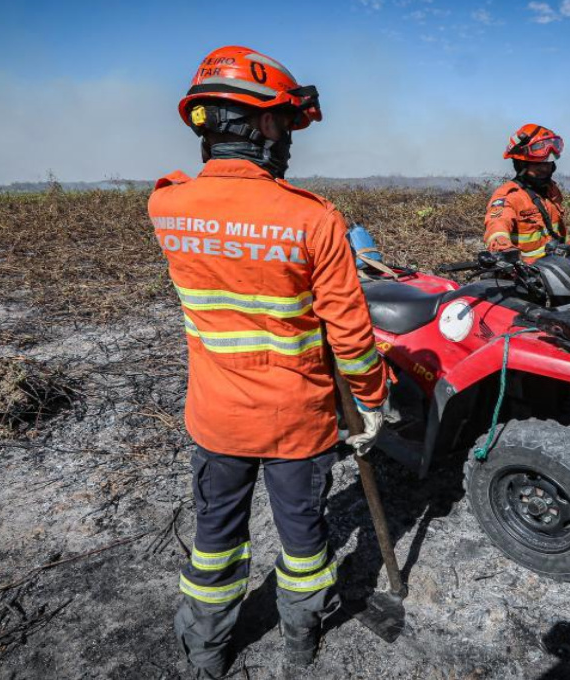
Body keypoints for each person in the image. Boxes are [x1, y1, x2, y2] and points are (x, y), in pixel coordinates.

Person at [148, 45, 389, 677]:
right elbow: (351, 332)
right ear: (259, 125)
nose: (287, 138)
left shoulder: (166, 206)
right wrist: (371, 398)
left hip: (216, 419)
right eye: (283, 122)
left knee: (214, 545)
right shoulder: (312, 219)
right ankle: (301, 640)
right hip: (296, 424)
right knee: (304, 540)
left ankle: (206, 652)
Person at [483, 124, 570, 261]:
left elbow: (560, 232)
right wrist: (503, 247)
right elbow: (497, 225)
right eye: (538, 164)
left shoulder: (551, 190)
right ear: (521, 165)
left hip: (556, 270)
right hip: (526, 276)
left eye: (548, 163)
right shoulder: (508, 196)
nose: (545, 169)